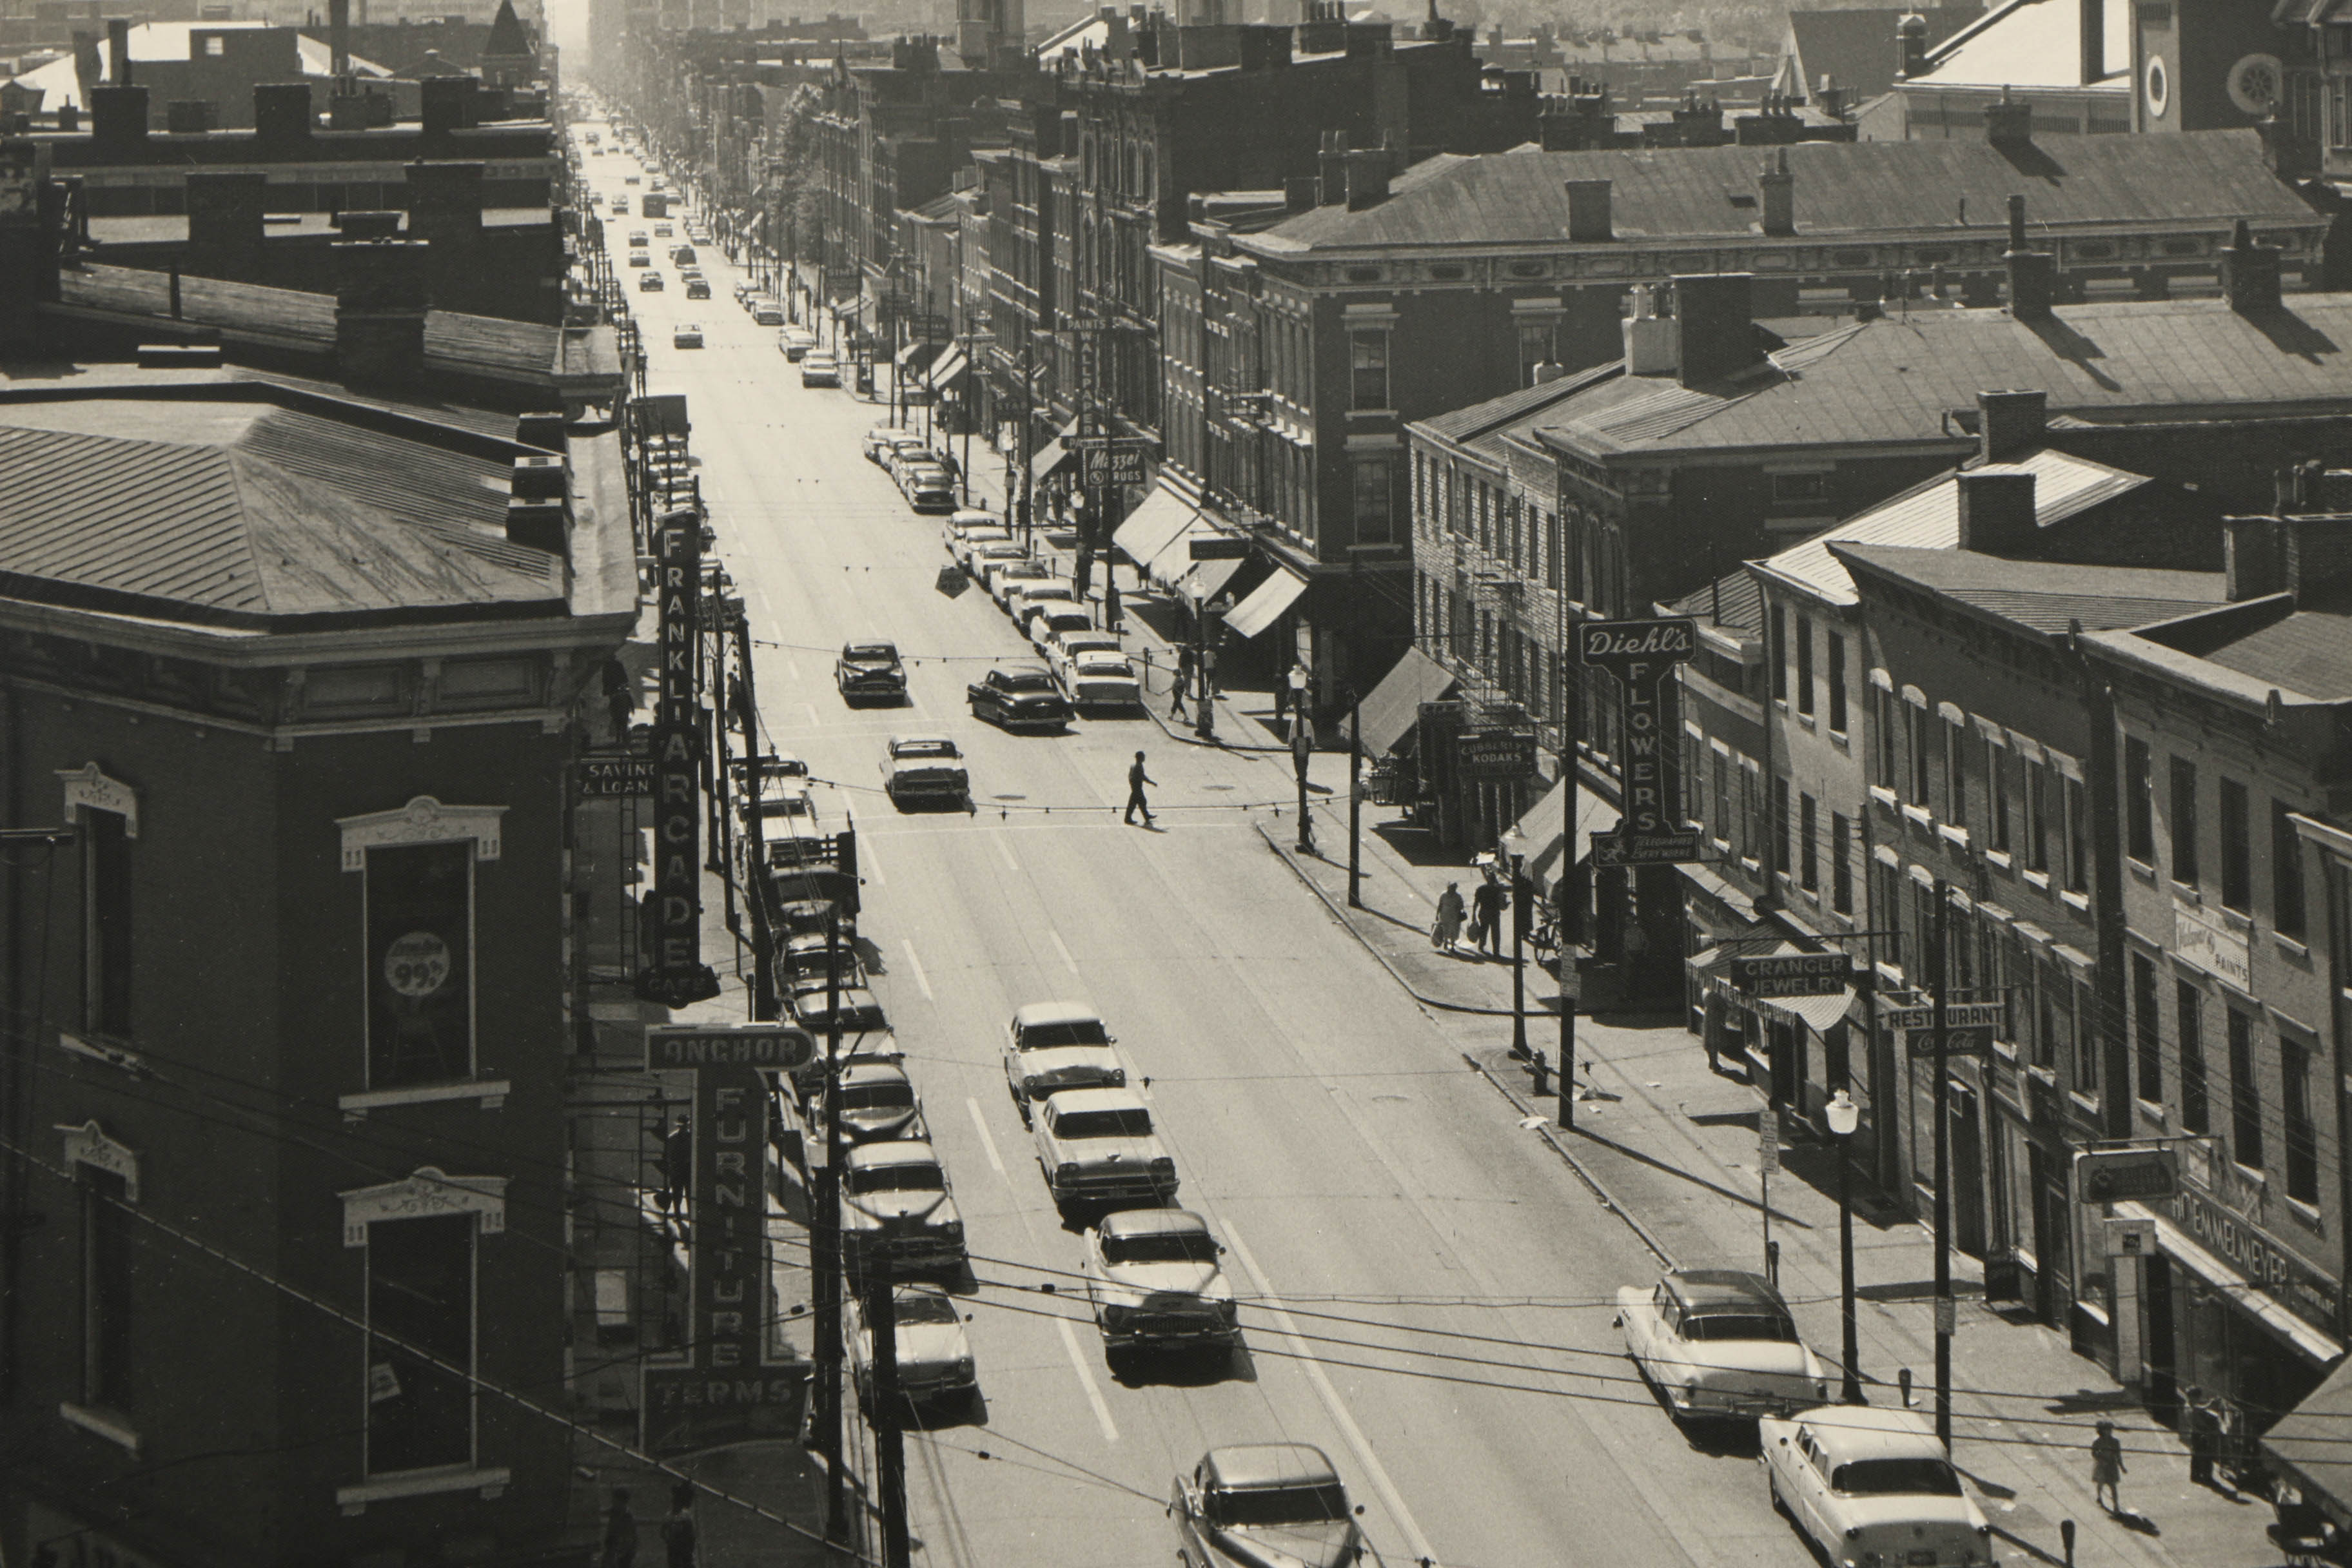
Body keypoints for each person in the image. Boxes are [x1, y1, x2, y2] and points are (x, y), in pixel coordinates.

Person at [2090, 1420, 2125, 1514]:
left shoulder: (2115, 1442)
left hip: (2112, 1465)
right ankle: (2099, 1496)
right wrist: (2101, 1459)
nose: (2110, 1432)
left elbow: (2118, 1455)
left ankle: (2116, 1506)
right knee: (2101, 1484)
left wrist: (2122, 1467)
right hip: (2102, 1466)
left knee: (2113, 1487)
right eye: (2107, 1430)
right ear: (2102, 1431)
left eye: (2110, 1430)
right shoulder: (2097, 1442)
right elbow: (2093, 1453)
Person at [600, 1489, 638, 1568]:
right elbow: (602, 1512)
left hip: (623, 1549)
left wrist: (621, 1552)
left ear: (622, 1501)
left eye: (615, 1500)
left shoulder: (628, 1517)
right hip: (612, 1546)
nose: (612, 1502)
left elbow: (630, 1538)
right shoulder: (614, 1510)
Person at [1471, 875, 1505, 959]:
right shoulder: (1497, 890)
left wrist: (1474, 913)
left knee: (1483, 930)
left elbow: (1476, 902)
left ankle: (1481, 946)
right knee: (1496, 933)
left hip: (1484, 912)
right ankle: (1496, 952)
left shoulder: (1481, 889)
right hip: (1494, 913)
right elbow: (1502, 904)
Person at [661, 1493, 698, 1568]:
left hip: (685, 1545)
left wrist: (690, 1545)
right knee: (674, 1564)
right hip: (673, 1546)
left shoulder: (685, 1515)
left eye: (678, 1504)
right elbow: (662, 1531)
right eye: (675, 1504)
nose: (676, 1506)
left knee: (687, 1563)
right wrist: (668, 1540)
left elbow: (691, 1532)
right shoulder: (669, 1516)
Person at [1433, 883, 1467, 952]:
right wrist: (1437, 915)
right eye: (1450, 888)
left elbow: (1461, 906)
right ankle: (1446, 943)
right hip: (1445, 915)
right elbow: (1440, 905)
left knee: (1453, 931)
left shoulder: (1458, 896)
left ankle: (1452, 946)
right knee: (1445, 930)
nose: (1450, 890)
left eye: (1453, 889)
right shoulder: (1444, 895)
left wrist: (1461, 911)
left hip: (1454, 916)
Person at [1125, 750, 1156, 827]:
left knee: (1140, 802)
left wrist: (1131, 784)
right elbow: (1143, 777)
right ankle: (1128, 819)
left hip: (1135, 787)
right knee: (1136, 803)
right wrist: (1152, 782)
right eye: (1143, 757)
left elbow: (1130, 776)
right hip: (1137, 787)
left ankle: (1146, 816)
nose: (1144, 758)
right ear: (1141, 758)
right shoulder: (1139, 767)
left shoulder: (1133, 766)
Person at [1171, 647, 1194, 720]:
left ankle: (1184, 716)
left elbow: (1180, 662)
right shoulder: (1190, 654)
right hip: (1189, 668)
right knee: (1188, 680)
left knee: (1177, 704)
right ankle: (1188, 692)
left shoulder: (1179, 680)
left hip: (1178, 693)